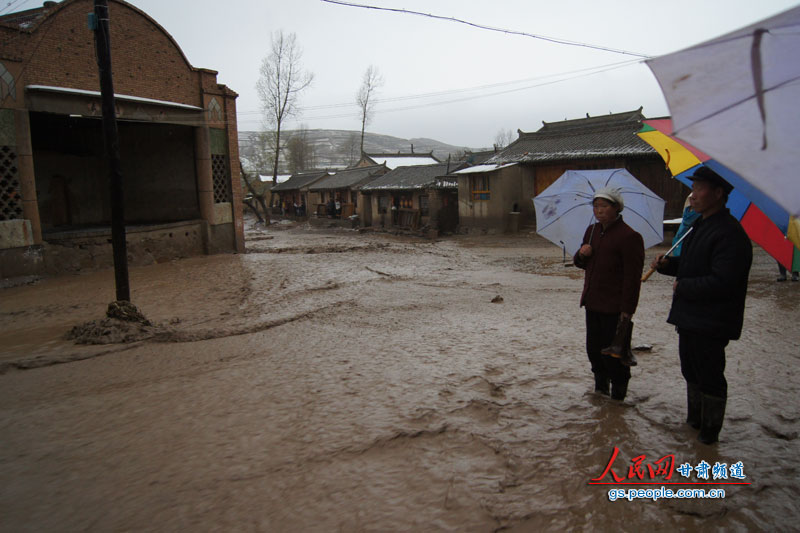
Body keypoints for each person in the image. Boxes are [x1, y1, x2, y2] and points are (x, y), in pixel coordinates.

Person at [651, 166, 752, 445]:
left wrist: (685, 286)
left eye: (698, 189)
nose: (692, 195)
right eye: (692, 188)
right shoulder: (698, 227)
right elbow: (692, 267)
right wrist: (669, 265)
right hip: (690, 318)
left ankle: (709, 435)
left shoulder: (730, 234)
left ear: (718, 193)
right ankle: (694, 422)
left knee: (710, 376)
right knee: (690, 371)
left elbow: (724, 281)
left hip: (712, 321)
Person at [574, 187, 645, 401]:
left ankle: (618, 400)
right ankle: (600, 393)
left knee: (614, 355)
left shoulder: (629, 236)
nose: (599, 210)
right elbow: (580, 264)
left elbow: (632, 279)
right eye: (595, 206)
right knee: (594, 352)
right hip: (592, 303)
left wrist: (627, 312)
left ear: (616, 208)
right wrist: (582, 254)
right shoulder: (592, 231)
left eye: (604, 206)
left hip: (614, 308)